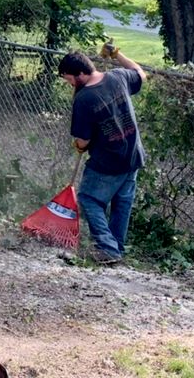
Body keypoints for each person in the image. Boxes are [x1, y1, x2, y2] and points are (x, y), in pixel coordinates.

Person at [58, 44, 146, 264]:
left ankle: (107, 248)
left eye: (70, 79)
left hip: (108, 160)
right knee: (121, 203)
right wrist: (118, 55)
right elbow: (140, 74)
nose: (69, 84)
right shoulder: (118, 77)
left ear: (81, 74)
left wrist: (79, 147)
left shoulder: (84, 99)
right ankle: (115, 249)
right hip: (133, 155)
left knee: (88, 199)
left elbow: (83, 140)